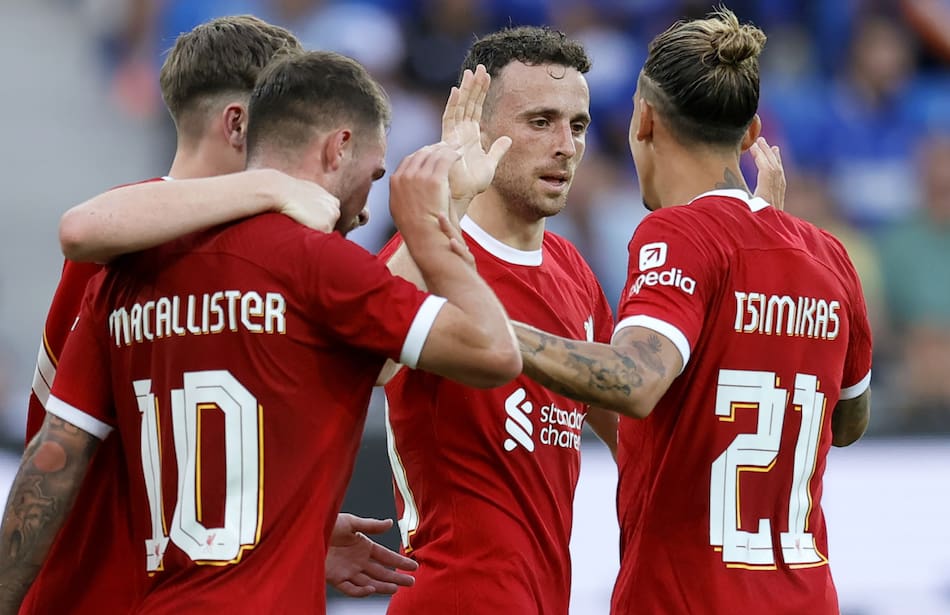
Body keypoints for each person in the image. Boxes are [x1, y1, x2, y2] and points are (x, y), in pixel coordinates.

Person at [0, 49, 521, 613]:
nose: (368, 210)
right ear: (336, 146)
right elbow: (490, 350)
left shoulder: (125, 268)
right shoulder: (314, 265)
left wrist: (297, 523)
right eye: (372, 175)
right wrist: (431, 219)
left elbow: (53, 458)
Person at [511, 9, 871, 615]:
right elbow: (848, 422)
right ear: (752, 131)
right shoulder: (828, 253)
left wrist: (485, 328)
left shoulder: (679, 234)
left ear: (644, 118)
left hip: (688, 600)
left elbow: (633, 380)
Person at [378, 27, 616, 615]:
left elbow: (632, 434)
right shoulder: (430, 251)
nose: (566, 145)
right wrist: (448, 204)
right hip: (449, 596)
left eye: (577, 125)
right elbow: (366, 365)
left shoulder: (575, 274)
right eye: (541, 122)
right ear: (478, 129)